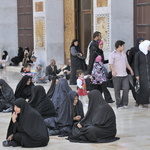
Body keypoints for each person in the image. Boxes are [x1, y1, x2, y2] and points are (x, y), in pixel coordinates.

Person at [109, 40, 134, 109]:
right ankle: (119, 104)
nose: (124, 47)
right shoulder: (112, 54)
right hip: (116, 75)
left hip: (124, 74)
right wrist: (113, 71)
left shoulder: (123, 54)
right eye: (123, 46)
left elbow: (126, 63)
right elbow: (111, 64)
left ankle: (125, 103)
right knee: (117, 90)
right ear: (119, 46)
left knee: (126, 88)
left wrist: (130, 69)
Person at [128, 37, 144, 105]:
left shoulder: (145, 50)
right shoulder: (133, 50)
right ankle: (137, 99)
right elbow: (129, 60)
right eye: (140, 41)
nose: (141, 43)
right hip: (134, 70)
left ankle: (143, 99)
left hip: (143, 70)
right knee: (135, 85)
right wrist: (129, 70)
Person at [134, 40, 150, 108]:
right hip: (141, 74)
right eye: (149, 46)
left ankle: (147, 101)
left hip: (148, 74)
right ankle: (140, 102)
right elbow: (136, 65)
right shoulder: (138, 54)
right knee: (142, 88)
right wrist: (137, 75)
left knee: (148, 88)